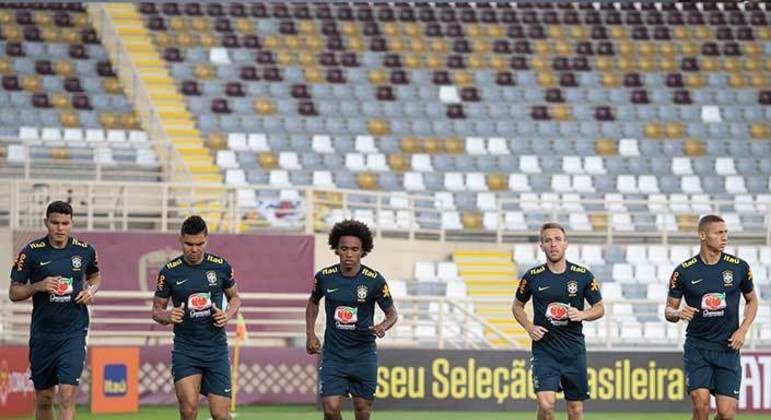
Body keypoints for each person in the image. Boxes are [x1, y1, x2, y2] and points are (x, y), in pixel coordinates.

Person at [9, 200, 101, 420]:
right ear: (46, 222)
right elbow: (14, 293)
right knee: (44, 398)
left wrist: (91, 290)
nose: (60, 228)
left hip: (73, 333)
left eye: (65, 223)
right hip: (43, 335)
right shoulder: (30, 252)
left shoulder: (85, 250)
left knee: (67, 395)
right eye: (55, 223)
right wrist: (38, 286)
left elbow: (95, 276)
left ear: (71, 223)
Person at [665, 214, 757, 420]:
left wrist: (743, 330)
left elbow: (752, 301)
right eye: (719, 233)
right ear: (702, 235)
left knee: (726, 414)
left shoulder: (739, 267)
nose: (724, 237)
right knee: (701, 405)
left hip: (728, 348)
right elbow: (668, 310)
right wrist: (678, 313)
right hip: (698, 347)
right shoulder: (683, 272)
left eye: (726, 233)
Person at [305, 220, 398, 420]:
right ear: (336, 250)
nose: (349, 254)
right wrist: (310, 334)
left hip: (363, 354)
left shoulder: (374, 280)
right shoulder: (324, 277)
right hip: (333, 354)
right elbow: (313, 302)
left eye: (354, 249)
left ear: (363, 251)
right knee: (330, 408)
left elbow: (392, 314)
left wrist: (383, 326)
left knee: (363, 410)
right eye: (344, 248)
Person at [512, 222, 604, 420]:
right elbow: (517, 306)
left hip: (573, 351)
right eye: (548, 240)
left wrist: (582, 314)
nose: (553, 244)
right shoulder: (532, 277)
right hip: (544, 350)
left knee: (575, 410)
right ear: (542, 246)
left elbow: (599, 308)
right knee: (546, 406)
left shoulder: (583, 276)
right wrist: (529, 327)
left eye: (557, 239)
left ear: (566, 243)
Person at [152, 215, 241, 420]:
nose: (194, 249)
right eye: (188, 244)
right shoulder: (169, 272)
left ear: (206, 240)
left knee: (220, 414)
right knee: (188, 409)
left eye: (199, 244)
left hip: (215, 350)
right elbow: (156, 310)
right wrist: (167, 315)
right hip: (186, 350)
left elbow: (235, 298)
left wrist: (227, 315)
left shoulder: (221, 266)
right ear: (180, 240)